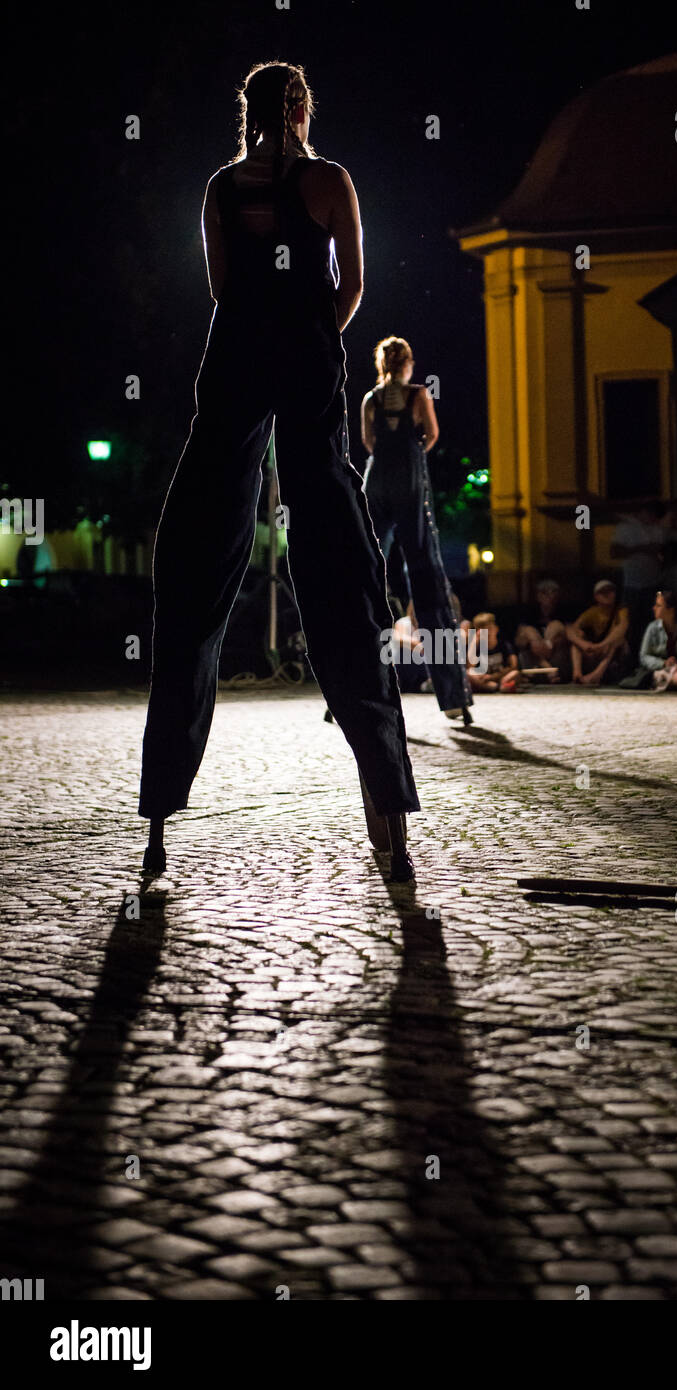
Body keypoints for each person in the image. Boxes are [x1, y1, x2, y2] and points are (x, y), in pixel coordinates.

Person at [138, 61, 418, 881]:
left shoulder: (222, 189)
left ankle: (157, 814)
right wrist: (310, 336)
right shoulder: (330, 180)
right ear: (299, 107)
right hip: (302, 357)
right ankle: (388, 809)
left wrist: (272, 330)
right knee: (332, 549)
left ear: (250, 112)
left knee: (194, 568)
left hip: (233, 364)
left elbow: (226, 288)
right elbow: (353, 286)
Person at [361, 336, 472, 725]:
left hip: (376, 483)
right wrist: (411, 454)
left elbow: (369, 443)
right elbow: (433, 434)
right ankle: (453, 696)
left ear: (381, 364)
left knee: (364, 576)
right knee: (426, 579)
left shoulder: (370, 399)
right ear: (407, 363)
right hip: (408, 480)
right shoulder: (419, 394)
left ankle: (352, 688)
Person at [611, 501, 666, 655]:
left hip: (653, 583)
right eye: (651, 515)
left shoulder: (658, 529)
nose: (653, 519)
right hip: (632, 584)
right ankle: (632, 660)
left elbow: (660, 551)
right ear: (643, 512)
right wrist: (642, 548)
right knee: (631, 624)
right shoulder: (626, 528)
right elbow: (614, 552)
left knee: (651, 622)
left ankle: (650, 657)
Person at [566, 579, 630, 686]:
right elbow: (570, 630)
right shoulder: (593, 612)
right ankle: (577, 674)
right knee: (577, 638)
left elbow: (621, 629)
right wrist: (584, 644)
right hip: (597, 651)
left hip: (615, 654)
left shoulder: (621, 611)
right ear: (596, 596)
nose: (607, 595)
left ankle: (596, 675)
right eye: (602, 592)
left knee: (617, 640)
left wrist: (602, 645)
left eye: (610, 591)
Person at [637, 589, 677, 692]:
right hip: (659, 671)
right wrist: (663, 663)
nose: (654, 608)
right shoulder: (652, 628)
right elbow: (644, 656)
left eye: (658, 606)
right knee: (661, 675)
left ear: (671, 609)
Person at [515, 578, 571, 681]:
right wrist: (532, 644)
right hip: (536, 659)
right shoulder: (529, 614)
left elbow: (572, 634)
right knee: (529, 631)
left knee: (555, 625)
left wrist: (551, 643)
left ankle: (549, 670)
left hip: (556, 657)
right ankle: (548, 669)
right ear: (538, 596)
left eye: (553, 593)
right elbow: (519, 640)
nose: (549, 597)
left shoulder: (563, 613)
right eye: (545, 593)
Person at [467, 612, 522, 693]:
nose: (487, 633)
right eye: (483, 630)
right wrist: (475, 641)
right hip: (483, 679)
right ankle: (495, 687)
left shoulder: (504, 644)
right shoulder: (476, 646)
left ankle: (495, 687)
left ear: (496, 629)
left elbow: (513, 665)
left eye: (489, 628)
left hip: (499, 677)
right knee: (468, 674)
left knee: (515, 673)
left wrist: (492, 677)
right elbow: (470, 666)